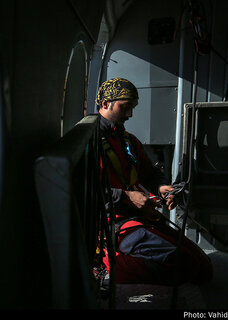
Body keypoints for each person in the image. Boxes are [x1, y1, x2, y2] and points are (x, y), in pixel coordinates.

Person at [95, 77, 213, 285]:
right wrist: (125, 196)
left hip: (139, 216)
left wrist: (161, 187)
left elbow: (149, 173)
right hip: (111, 224)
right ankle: (105, 270)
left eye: (133, 108)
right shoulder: (88, 142)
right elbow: (82, 189)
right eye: (125, 107)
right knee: (186, 266)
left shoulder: (128, 141)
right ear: (105, 104)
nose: (130, 114)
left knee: (204, 267)